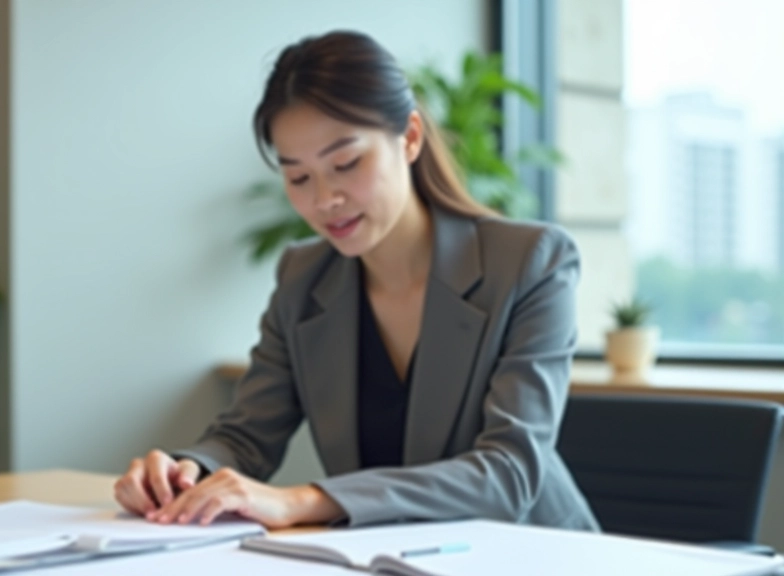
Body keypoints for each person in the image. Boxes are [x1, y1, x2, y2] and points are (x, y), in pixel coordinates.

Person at [114, 30, 599, 531]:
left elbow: (509, 475)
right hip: (388, 557)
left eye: (345, 164)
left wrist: (303, 501)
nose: (325, 200)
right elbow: (245, 438)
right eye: (299, 178)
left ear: (410, 138)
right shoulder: (303, 279)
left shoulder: (529, 262)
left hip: (535, 552)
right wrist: (186, 472)